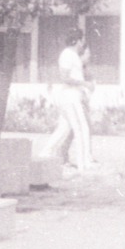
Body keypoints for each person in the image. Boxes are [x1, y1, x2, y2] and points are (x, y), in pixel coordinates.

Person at [42, 29, 94, 172]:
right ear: (76, 40)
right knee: (82, 128)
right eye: (81, 40)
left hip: (73, 95)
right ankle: (84, 165)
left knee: (64, 129)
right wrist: (84, 84)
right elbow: (64, 78)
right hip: (70, 96)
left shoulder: (73, 55)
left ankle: (44, 155)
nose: (82, 43)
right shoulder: (67, 54)